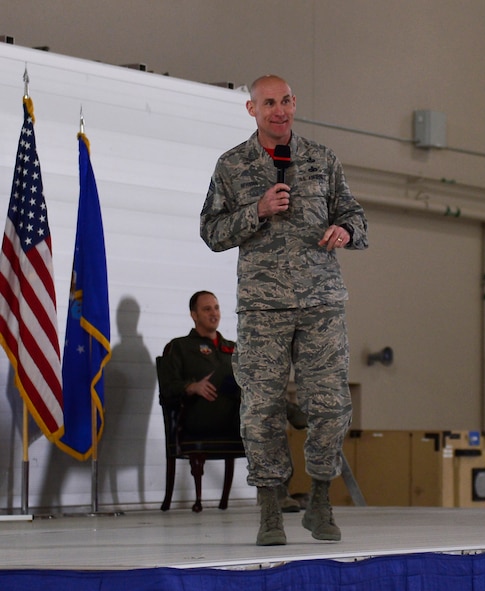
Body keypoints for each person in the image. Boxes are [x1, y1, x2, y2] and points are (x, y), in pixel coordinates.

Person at [199, 74, 368, 546]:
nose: (280, 110)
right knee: (262, 410)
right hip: (263, 307)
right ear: (252, 110)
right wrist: (256, 209)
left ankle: (319, 499)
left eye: (287, 101)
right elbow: (211, 232)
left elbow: (355, 215)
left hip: (321, 303)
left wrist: (346, 232)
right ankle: (270, 511)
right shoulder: (232, 166)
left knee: (331, 406)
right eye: (269, 102)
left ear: (295, 104)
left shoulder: (322, 159)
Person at [158, 291, 240, 440]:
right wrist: (192, 387)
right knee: (225, 372)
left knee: (253, 378)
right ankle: (286, 410)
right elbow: (167, 388)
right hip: (200, 415)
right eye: (207, 309)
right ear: (194, 315)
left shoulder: (233, 347)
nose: (214, 313)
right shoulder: (180, 346)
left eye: (216, 308)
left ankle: (281, 408)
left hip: (234, 413)